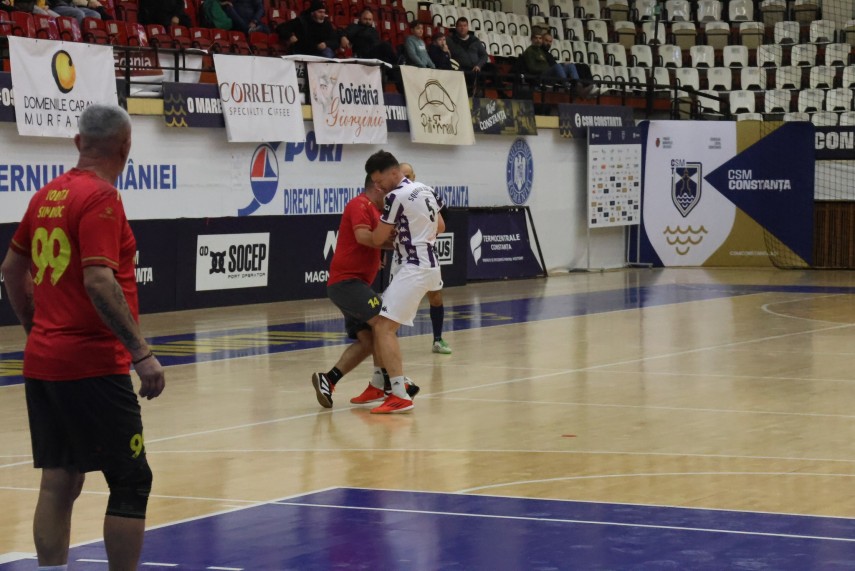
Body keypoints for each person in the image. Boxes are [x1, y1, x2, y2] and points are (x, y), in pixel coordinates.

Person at [0, 104, 166, 570]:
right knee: (131, 480)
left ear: (79, 142)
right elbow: (99, 280)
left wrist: (35, 328)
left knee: (60, 480)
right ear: (126, 146)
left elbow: (11, 269)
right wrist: (141, 354)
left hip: (44, 361)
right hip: (92, 364)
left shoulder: (46, 195)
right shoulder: (101, 198)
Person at [312, 175, 419, 408]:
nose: (391, 196)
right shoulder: (360, 204)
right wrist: (396, 243)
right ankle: (392, 384)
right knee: (384, 323)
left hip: (355, 286)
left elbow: (379, 239)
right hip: (347, 284)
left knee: (370, 341)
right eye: (388, 190)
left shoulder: (377, 212)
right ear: (378, 187)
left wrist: (400, 243)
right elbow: (363, 237)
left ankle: (329, 379)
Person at [366, 151, 444, 414]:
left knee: (384, 327)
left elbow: (378, 239)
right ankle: (381, 383)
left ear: (393, 172)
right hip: (429, 262)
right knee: (383, 324)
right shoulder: (425, 188)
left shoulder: (395, 197)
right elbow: (440, 226)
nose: (378, 187)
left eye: (380, 181)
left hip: (413, 266)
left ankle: (399, 393)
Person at [399, 162, 451, 354]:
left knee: (436, 296)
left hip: (427, 254)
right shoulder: (397, 197)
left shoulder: (426, 192)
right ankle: (387, 339)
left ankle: (437, 339)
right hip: (404, 257)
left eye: (408, 175)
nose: (406, 179)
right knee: (397, 300)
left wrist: (431, 231)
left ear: (414, 176)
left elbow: (443, 218)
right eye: (402, 176)